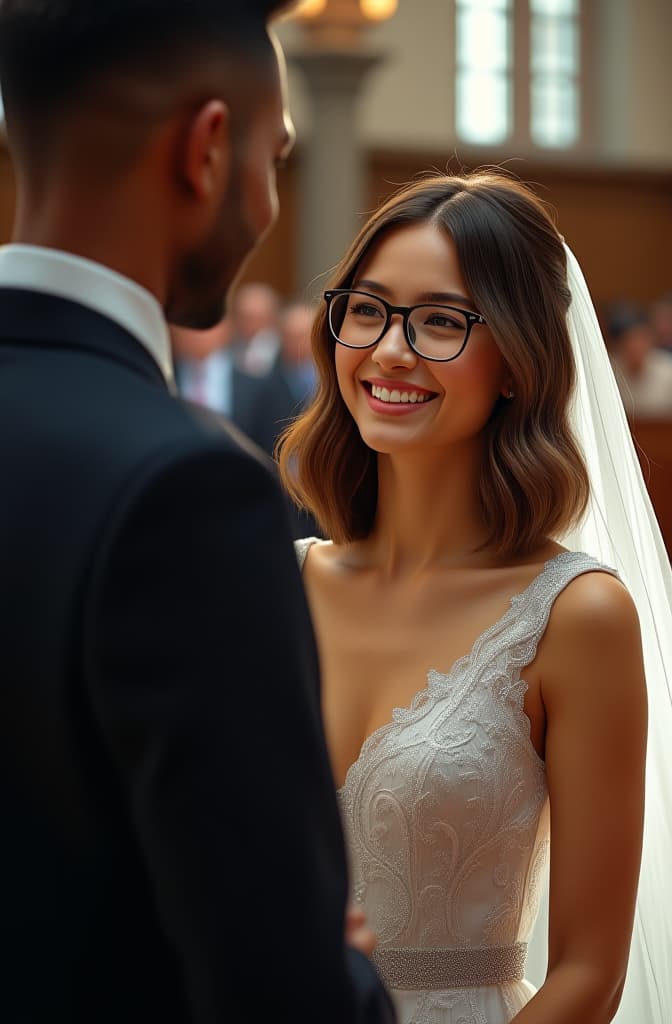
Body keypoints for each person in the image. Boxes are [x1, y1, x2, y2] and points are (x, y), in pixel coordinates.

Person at [0, 2, 394, 1022]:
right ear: (208, 148)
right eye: (277, 154)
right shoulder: (186, 490)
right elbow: (278, 994)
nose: (269, 196)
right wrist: (331, 955)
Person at [279, 171, 672, 1023]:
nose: (389, 349)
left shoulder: (575, 617)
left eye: (442, 322)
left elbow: (589, 972)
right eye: (367, 308)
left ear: (517, 362)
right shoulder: (275, 585)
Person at [171, 315, 293, 456]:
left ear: (225, 329)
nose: (196, 334)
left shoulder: (256, 385)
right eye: (187, 326)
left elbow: (271, 445)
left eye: (204, 325)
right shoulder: (160, 382)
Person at [606, 302, 672, 418]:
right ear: (620, 344)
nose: (636, 346)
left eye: (641, 340)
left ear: (651, 342)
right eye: (630, 341)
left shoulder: (668, 370)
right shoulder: (608, 371)